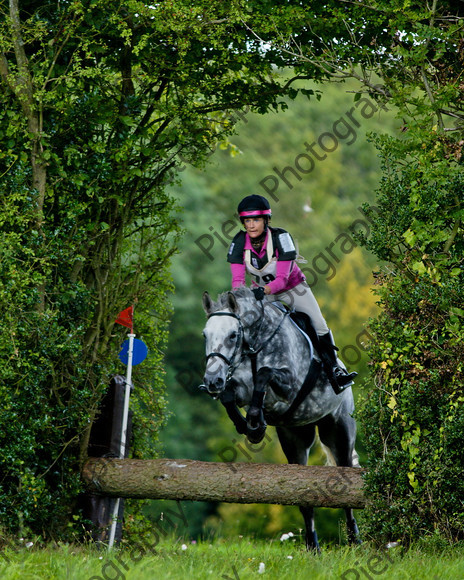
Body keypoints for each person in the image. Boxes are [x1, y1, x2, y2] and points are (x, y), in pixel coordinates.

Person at [227, 194, 357, 394]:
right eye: (247, 221)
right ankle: (232, 374)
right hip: (262, 293)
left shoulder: (281, 238)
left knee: (318, 323)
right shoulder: (238, 243)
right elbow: (237, 282)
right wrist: (243, 299)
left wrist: (262, 291)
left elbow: (282, 279)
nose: (251, 225)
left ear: (266, 220)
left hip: (293, 288)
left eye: (256, 220)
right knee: (243, 324)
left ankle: (335, 370)